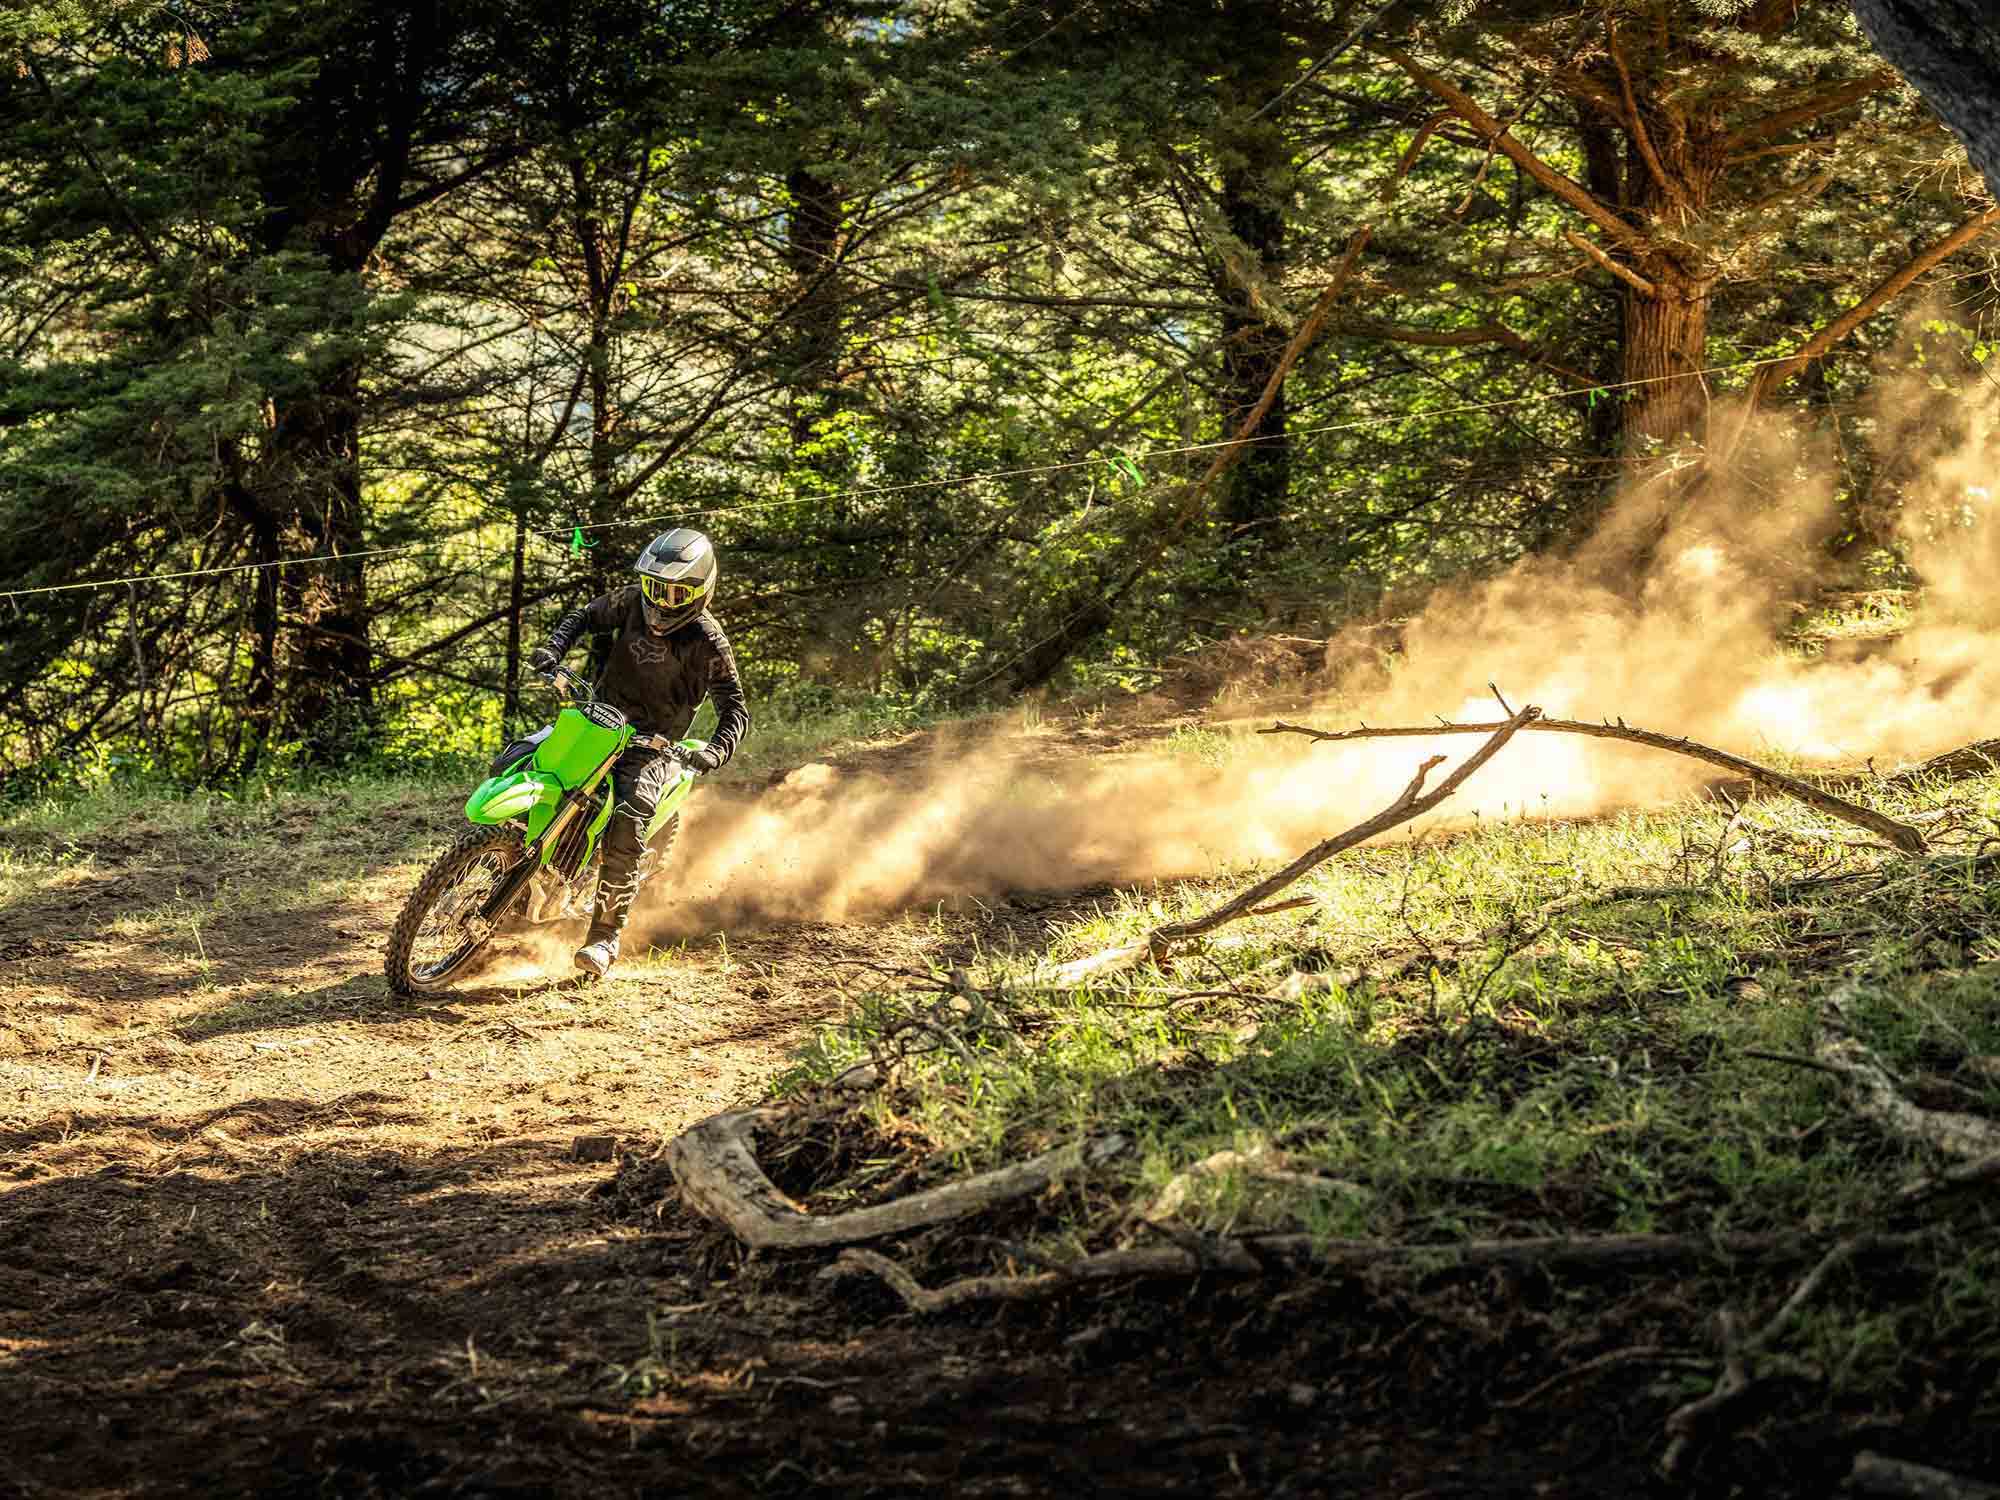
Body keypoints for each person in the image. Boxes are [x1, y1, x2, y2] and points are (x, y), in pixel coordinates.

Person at [528, 527, 749, 979]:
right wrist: (552, 650)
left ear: (700, 590)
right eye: (655, 587)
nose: (662, 601)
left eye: (675, 592)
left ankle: (604, 936)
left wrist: (713, 752)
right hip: (595, 721)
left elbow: (735, 709)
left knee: (628, 821)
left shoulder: (709, 642)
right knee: (518, 758)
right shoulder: (630, 601)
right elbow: (583, 616)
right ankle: (503, 859)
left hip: (651, 745)